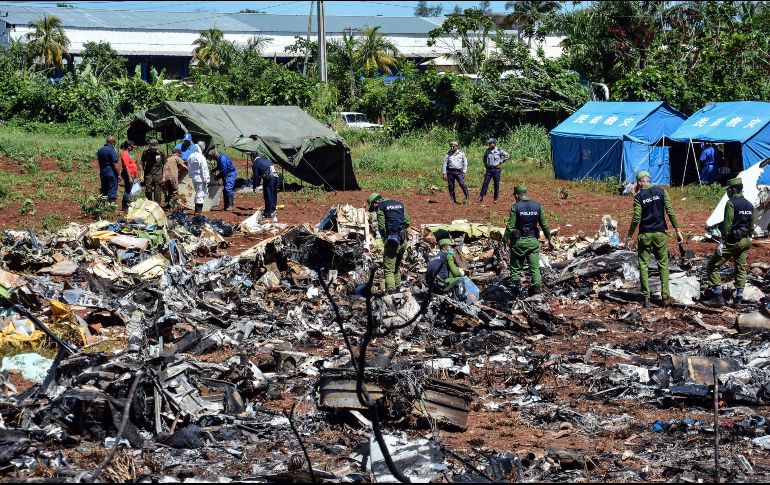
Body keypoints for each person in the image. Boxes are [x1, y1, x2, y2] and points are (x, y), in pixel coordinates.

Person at [625, 170, 684, 308]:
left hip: (645, 234)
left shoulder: (639, 196)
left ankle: (646, 297)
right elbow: (670, 211)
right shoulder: (662, 192)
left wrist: (629, 236)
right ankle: (665, 297)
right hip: (660, 233)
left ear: (639, 182)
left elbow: (636, 217)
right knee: (663, 264)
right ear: (649, 180)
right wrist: (678, 230)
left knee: (643, 264)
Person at [703, 177, 754, 306]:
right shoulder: (749, 204)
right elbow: (751, 225)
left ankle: (718, 296)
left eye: (729, 189)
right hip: (746, 241)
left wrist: (721, 241)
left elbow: (727, 224)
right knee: (740, 267)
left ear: (734, 189)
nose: (728, 192)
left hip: (733, 241)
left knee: (712, 266)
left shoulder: (731, 203)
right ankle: (738, 298)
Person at [503, 183, 553, 297]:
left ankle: (515, 292)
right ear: (526, 193)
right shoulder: (537, 206)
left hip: (518, 243)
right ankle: (536, 292)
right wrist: (549, 239)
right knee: (534, 268)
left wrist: (504, 240)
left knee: (516, 269)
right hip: (533, 242)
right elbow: (544, 225)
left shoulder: (515, 207)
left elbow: (510, 227)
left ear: (517, 195)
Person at [368, 192, 411, 294]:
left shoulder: (381, 206)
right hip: (403, 240)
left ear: (375, 202)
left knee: (388, 270)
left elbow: (382, 226)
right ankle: (398, 292)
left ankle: (392, 295)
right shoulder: (399, 204)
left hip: (392, 242)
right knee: (396, 268)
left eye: (373, 207)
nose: (375, 209)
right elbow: (407, 221)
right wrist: (400, 230)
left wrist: (384, 237)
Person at [478, 137, 510, 204]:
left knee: (496, 184)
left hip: (496, 169)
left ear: (494, 144)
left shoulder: (499, 150)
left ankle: (495, 198)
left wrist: (500, 162)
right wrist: (486, 165)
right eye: (489, 143)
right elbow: (484, 158)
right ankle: (481, 196)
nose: (489, 144)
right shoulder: (487, 151)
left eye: (491, 143)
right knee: (485, 183)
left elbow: (507, 155)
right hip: (489, 169)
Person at [252, 155, 278, 220]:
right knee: (273, 194)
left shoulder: (255, 163)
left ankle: (268, 212)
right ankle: (273, 210)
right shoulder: (265, 159)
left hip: (269, 178)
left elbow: (255, 176)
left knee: (268, 195)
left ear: (252, 157)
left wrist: (255, 186)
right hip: (276, 176)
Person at [140, 139, 166, 204]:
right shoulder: (146, 152)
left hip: (158, 174)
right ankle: (149, 204)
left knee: (157, 192)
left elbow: (165, 164)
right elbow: (142, 163)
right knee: (148, 190)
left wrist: (164, 176)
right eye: (153, 148)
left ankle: (157, 205)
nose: (154, 149)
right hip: (148, 174)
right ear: (149, 146)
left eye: (155, 148)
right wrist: (141, 175)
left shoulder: (161, 152)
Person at [187, 143, 210, 214]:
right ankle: (198, 211)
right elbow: (204, 169)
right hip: (201, 178)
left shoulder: (191, 156)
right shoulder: (201, 157)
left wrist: (191, 174)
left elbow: (189, 167)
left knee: (197, 193)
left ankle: (196, 210)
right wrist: (207, 179)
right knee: (200, 193)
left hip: (194, 178)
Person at [97, 135, 119, 204]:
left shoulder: (100, 150)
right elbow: (115, 164)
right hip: (111, 173)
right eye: (114, 143)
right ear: (112, 142)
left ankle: (102, 206)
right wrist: (119, 174)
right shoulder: (111, 150)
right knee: (112, 191)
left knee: (104, 190)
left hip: (103, 173)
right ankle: (111, 207)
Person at [118, 140, 138, 211]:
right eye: (132, 147)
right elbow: (126, 166)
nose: (133, 148)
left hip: (131, 174)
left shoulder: (128, 153)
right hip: (129, 175)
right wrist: (129, 177)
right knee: (127, 191)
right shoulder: (125, 154)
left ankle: (127, 205)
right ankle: (125, 206)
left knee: (130, 190)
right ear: (128, 147)